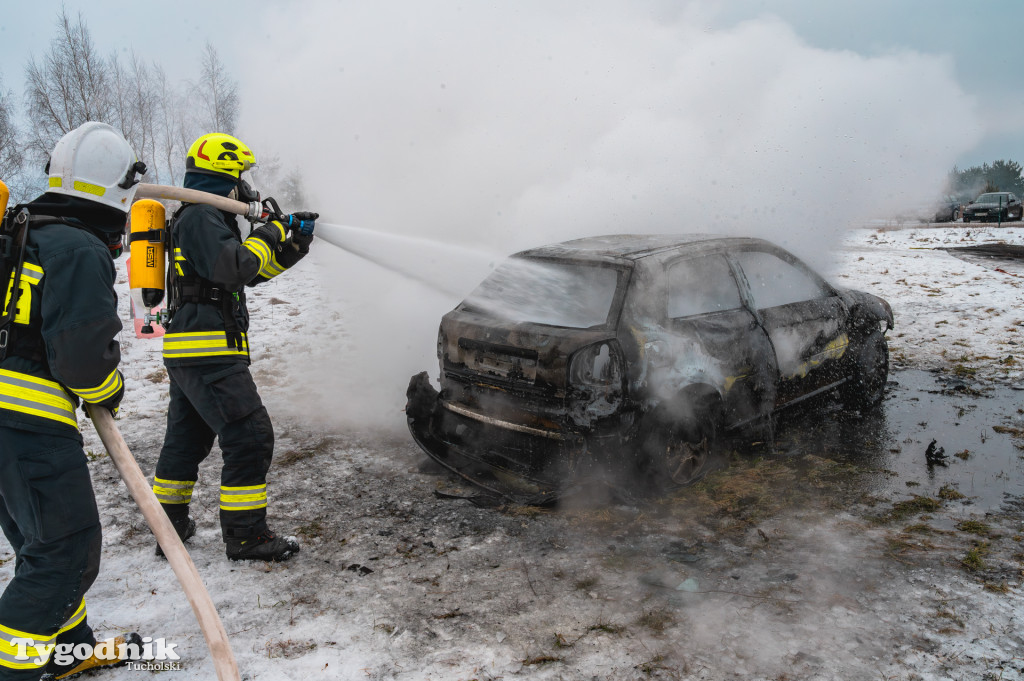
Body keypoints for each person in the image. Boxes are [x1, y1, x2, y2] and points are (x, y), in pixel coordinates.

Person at [0, 122, 146, 680]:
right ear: (117, 187)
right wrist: (109, 389)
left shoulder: (25, 230)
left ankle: (69, 649)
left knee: (39, 544)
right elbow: (82, 357)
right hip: (28, 422)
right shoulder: (79, 247)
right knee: (65, 550)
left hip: (6, 425)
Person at [152, 132, 316, 562]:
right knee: (249, 436)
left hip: (191, 351)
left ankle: (168, 527)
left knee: (185, 442)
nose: (246, 186)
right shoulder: (204, 215)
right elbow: (237, 266)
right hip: (209, 352)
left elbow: (249, 274)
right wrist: (271, 229)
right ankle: (246, 537)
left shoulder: (200, 218)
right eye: (241, 175)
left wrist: (293, 245)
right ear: (225, 174)